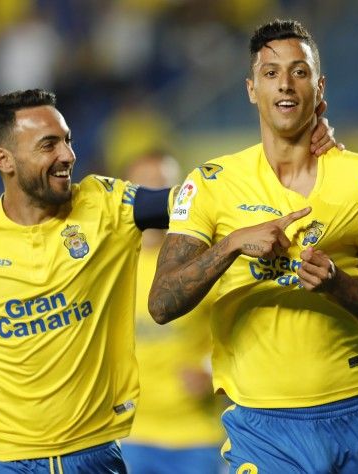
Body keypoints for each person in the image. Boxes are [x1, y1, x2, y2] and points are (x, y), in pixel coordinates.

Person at [0, 89, 337, 472]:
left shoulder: (107, 205)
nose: (67, 155)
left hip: (96, 454)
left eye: (67, 141)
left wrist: (289, 151)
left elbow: (194, 198)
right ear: (4, 159)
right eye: (48, 145)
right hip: (3, 457)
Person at [149, 19, 358, 474]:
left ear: (319, 85)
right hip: (261, 425)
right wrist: (231, 244)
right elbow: (161, 302)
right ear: (252, 89)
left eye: (299, 71)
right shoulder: (212, 184)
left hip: (357, 413)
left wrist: (336, 285)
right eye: (270, 73)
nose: (285, 84)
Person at [120, 152, 226, 474]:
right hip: (129, 435)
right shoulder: (113, 267)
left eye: (163, 187)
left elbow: (241, 332)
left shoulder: (202, 263)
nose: (156, 198)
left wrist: (211, 372)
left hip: (196, 436)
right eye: (145, 188)